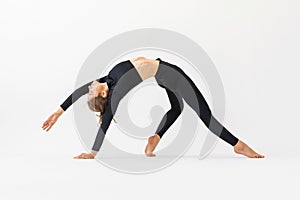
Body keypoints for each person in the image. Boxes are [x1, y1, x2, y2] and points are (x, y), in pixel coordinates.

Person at [42, 57, 264, 159]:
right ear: (102, 94)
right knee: (206, 116)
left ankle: (155, 138)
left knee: (176, 108)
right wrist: (93, 152)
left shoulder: (107, 80)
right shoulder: (116, 89)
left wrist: (58, 111)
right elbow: (108, 116)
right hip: (173, 75)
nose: (90, 88)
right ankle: (238, 145)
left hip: (164, 74)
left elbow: (81, 89)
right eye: (92, 92)